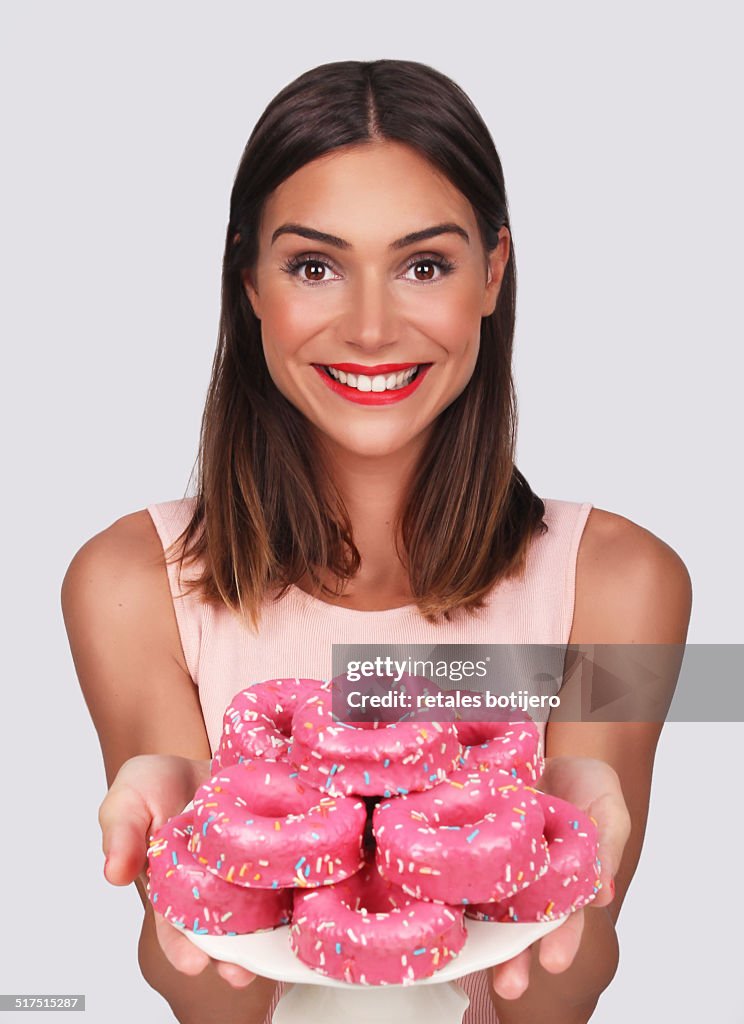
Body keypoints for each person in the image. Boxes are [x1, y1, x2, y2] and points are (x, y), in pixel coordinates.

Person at [61, 59, 691, 1024]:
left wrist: (568, 821)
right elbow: (220, 999)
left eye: (424, 265)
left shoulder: (625, 583)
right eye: (314, 266)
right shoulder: (127, 581)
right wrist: (184, 845)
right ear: (250, 284)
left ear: (493, 273)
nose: (367, 327)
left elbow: (556, 992)